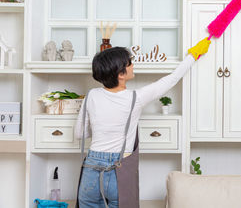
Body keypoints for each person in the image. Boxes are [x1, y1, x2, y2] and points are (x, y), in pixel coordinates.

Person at [74, 38, 211, 208]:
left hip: (91, 170)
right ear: (120, 74)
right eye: (129, 62)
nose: (133, 65)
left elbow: (80, 134)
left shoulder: (92, 95)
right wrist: (194, 54)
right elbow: (172, 79)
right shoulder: (135, 98)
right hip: (119, 171)